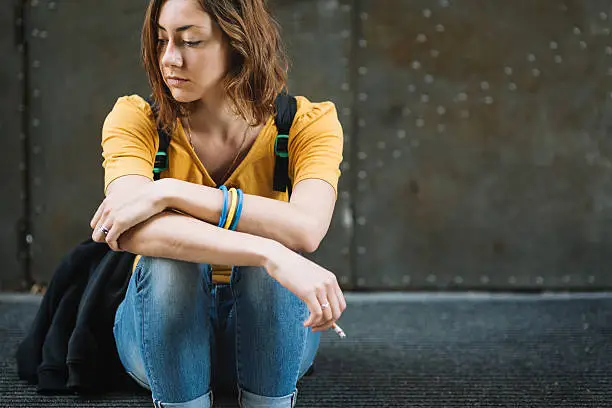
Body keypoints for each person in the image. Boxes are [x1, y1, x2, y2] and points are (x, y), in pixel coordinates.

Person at [89, 0, 347, 407]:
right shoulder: (134, 119)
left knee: (271, 270)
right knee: (172, 262)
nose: (168, 59)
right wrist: (267, 252)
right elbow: (127, 224)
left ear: (238, 43)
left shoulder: (307, 124)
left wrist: (168, 192)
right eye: (161, 41)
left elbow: (306, 228)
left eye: (190, 41)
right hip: (161, 337)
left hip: (269, 339)